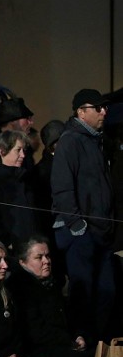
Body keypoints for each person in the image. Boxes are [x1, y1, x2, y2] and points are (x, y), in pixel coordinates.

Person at [51, 89, 114, 342]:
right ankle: (83, 346)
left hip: (101, 233)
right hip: (82, 234)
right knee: (83, 295)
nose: (103, 111)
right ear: (81, 112)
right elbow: (62, 187)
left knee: (106, 294)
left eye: (104, 107)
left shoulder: (97, 141)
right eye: (97, 107)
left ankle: (100, 353)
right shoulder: (70, 141)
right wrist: (78, 226)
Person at [7, 236, 92, 357]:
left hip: (60, 342)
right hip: (36, 347)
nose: (46, 261)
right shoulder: (19, 288)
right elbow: (34, 330)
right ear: (23, 262)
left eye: (48, 256)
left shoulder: (50, 284)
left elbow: (68, 318)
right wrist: (69, 343)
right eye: (39, 257)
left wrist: (78, 336)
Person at [0, 131, 38, 250]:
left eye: (23, 150)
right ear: (2, 151)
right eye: (18, 150)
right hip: (8, 249)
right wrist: (7, 242)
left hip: (29, 247)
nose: (23, 155)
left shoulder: (25, 178)